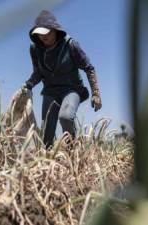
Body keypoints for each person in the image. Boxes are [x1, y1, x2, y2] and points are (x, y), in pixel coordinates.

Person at [22, 10, 102, 149]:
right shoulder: (35, 49)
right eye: (40, 33)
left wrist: (96, 93)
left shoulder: (70, 45)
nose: (44, 36)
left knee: (65, 117)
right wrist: (28, 85)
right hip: (50, 91)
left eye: (48, 32)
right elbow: (38, 72)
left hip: (71, 89)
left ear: (56, 31)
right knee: (47, 129)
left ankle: (73, 152)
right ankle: (48, 161)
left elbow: (89, 68)